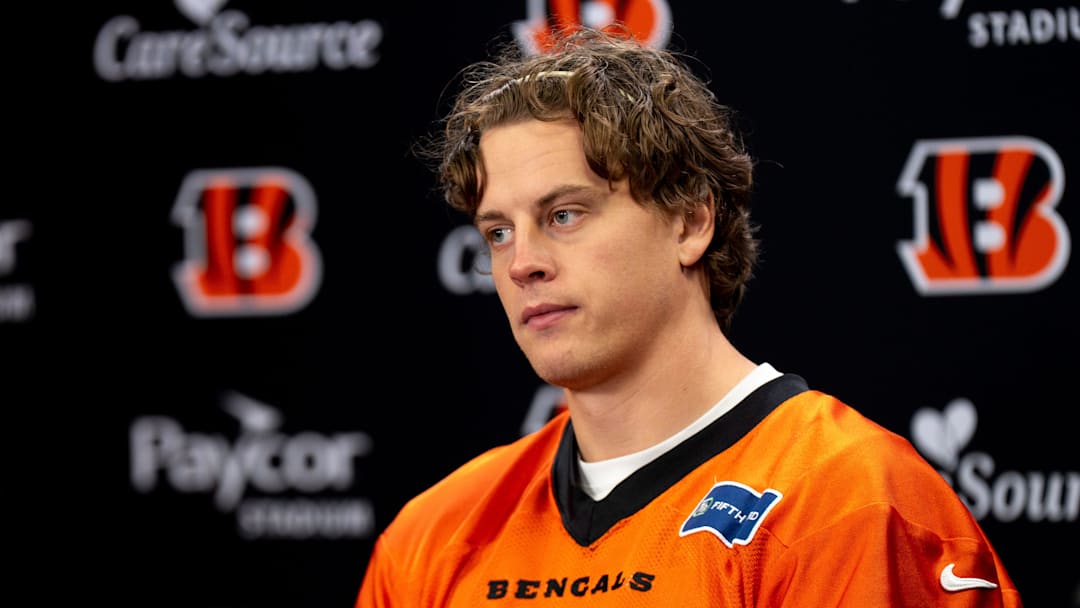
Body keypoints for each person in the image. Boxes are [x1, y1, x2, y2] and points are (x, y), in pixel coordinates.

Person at [356, 25, 1022, 607]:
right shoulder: (434, 536)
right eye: (498, 232)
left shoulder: (850, 503)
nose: (523, 261)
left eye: (565, 214)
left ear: (690, 220)